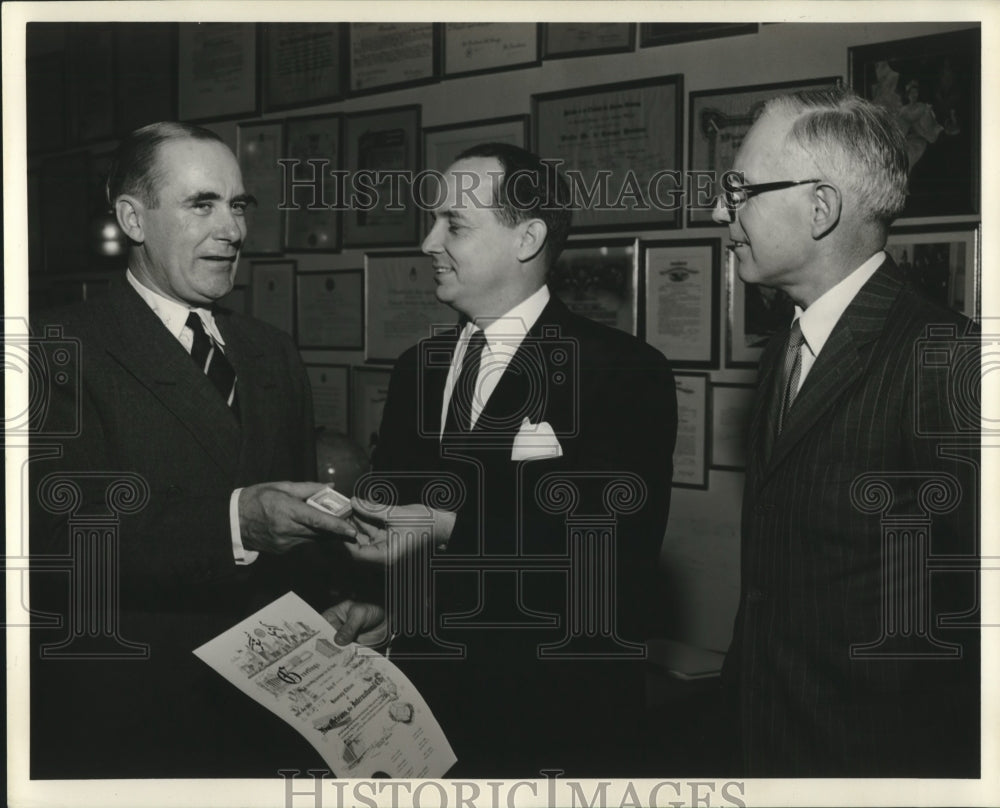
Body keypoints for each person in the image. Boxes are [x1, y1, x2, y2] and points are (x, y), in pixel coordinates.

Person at [333, 143, 678, 776]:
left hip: (556, 723)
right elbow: (408, 522)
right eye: (433, 222)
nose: (428, 242)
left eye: (454, 226)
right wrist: (384, 605)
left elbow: (610, 547)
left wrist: (442, 527)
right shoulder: (416, 370)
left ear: (528, 238)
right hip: (421, 720)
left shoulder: (622, 370)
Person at [29, 122, 358, 778]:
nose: (232, 230)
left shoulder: (272, 352)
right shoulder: (55, 347)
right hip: (137, 717)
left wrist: (342, 604)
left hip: (271, 715)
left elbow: (298, 526)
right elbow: (59, 537)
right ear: (133, 218)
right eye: (201, 204)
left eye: (238, 206)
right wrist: (235, 522)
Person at [713, 87, 979, 777]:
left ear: (821, 208)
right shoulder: (786, 347)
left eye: (740, 189)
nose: (721, 211)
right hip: (766, 747)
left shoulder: (946, 358)